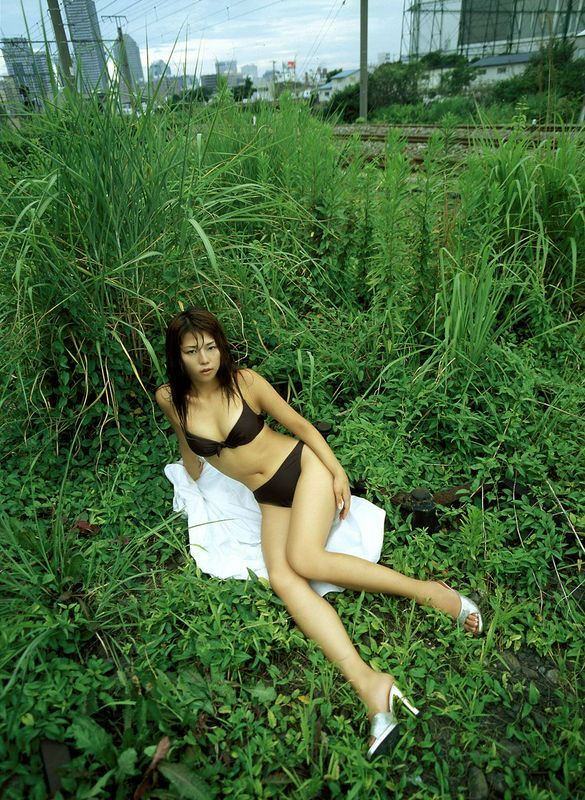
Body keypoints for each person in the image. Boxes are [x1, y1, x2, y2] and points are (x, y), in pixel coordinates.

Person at [156, 307, 484, 758]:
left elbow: (300, 426)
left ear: (221, 346)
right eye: (192, 351)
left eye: (211, 347)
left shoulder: (246, 382)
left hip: (302, 466)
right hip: (269, 498)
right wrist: (191, 475)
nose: (205, 358)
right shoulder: (171, 399)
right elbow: (187, 442)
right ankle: (370, 684)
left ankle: (431, 593)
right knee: (284, 580)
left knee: (305, 560)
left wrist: (336, 471)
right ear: (177, 355)